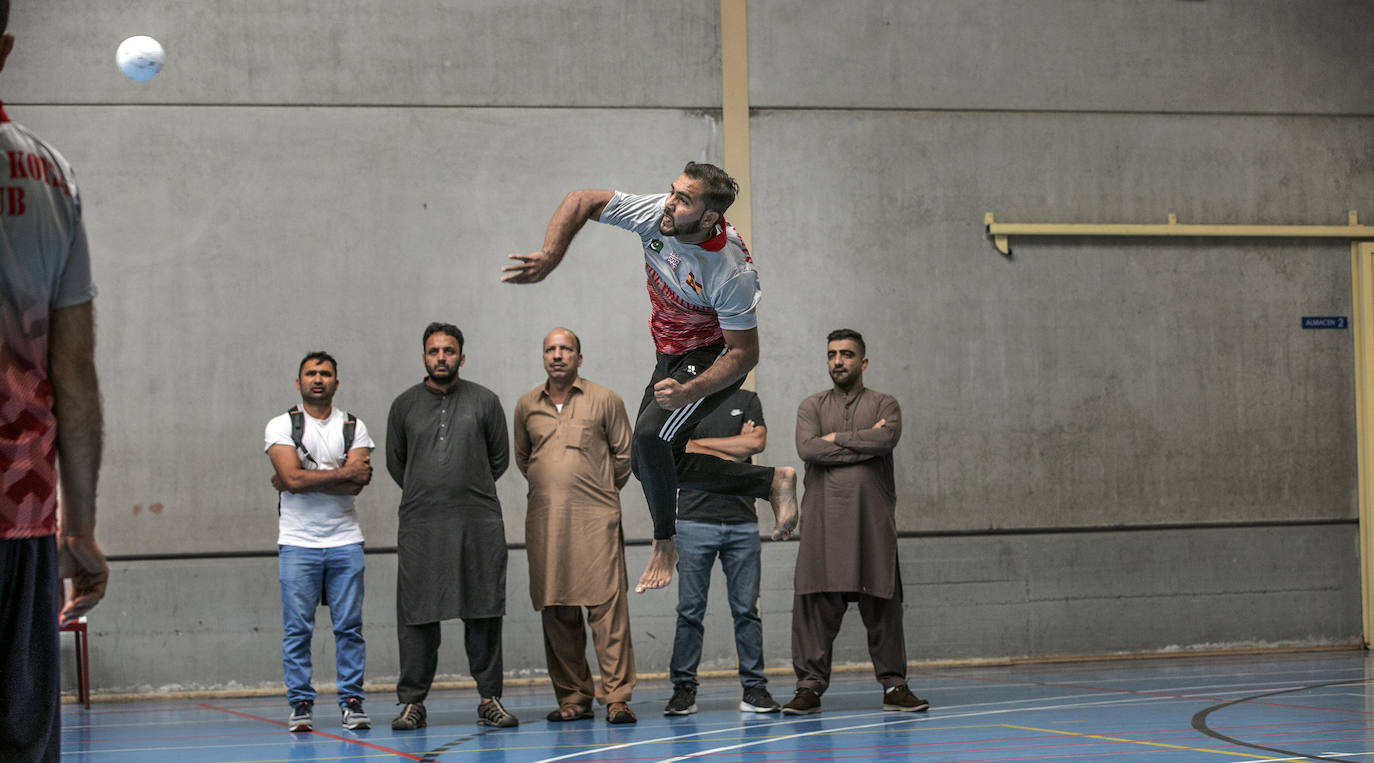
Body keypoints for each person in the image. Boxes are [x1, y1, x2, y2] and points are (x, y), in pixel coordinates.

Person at [502, 161, 798, 594]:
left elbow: (745, 353)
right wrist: (549, 256)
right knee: (649, 466)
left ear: (710, 217)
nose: (670, 203)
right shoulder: (655, 213)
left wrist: (689, 391)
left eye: (684, 200)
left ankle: (664, 542)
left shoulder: (730, 270)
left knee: (648, 438)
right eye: (673, 191)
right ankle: (770, 481)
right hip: (670, 357)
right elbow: (582, 200)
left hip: (711, 358)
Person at [0, 3, 110, 757]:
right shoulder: (52, 174)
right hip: (25, 510)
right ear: (5, 46)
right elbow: (72, 370)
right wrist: (79, 527)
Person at [783, 329, 928, 716]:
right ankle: (809, 688)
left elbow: (886, 441)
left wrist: (835, 440)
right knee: (813, 605)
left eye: (846, 354)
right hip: (823, 527)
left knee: (884, 605)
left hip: (871, 526)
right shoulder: (811, 406)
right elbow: (808, 448)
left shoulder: (885, 404)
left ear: (862, 362)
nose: (838, 361)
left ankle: (895, 686)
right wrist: (860, 442)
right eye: (831, 354)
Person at [386, 323, 518, 730]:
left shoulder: (485, 401)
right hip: (421, 526)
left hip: (477, 525)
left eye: (448, 350)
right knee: (417, 616)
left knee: (483, 611)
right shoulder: (404, 405)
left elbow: (499, 460)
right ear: (423, 356)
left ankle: (489, 698)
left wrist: (463, 490)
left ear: (462, 356)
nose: (441, 357)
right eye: (433, 351)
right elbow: (397, 464)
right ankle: (412, 703)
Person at [513, 328, 638, 725]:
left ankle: (616, 698)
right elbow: (523, 459)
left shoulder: (605, 400)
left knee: (607, 610)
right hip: (547, 524)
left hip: (596, 522)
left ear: (579, 358)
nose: (557, 354)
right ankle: (573, 698)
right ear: (543, 356)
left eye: (566, 348)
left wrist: (595, 489)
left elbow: (624, 456)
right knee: (556, 609)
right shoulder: (525, 406)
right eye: (550, 348)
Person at [264, 352, 375, 732]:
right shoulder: (281, 425)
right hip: (297, 543)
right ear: (298, 382)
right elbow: (292, 481)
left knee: (349, 626)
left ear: (336, 383)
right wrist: (337, 475)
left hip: (346, 541)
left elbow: (357, 484)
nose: (318, 379)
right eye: (310, 373)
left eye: (325, 373)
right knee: (298, 628)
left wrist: (301, 476)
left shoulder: (354, 427)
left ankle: (352, 700)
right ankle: (300, 704)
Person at [664, 387, 781, 716]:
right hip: (692, 520)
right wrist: (734, 454)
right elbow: (680, 447)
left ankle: (755, 688)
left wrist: (704, 449)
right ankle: (683, 689)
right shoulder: (687, 400)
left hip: (742, 521)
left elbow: (756, 443)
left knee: (746, 610)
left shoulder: (747, 399)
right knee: (690, 611)